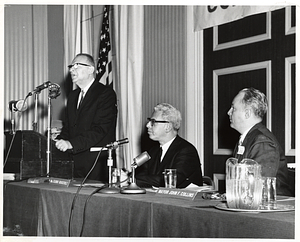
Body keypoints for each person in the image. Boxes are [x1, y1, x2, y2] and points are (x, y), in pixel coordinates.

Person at [55, 53, 117, 181]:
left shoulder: (105, 94)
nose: (72, 69)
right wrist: (57, 141)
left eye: (77, 66)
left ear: (90, 70)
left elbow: (99, 130)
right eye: (71, 66)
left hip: (95, 164)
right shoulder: (72, 96)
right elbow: (68, 128)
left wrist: (71, 143)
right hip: (73, 163)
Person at [227, 87, 292, 196]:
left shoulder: (262, 141)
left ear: (247, 113)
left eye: (233, 108)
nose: (229, 112)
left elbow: (259, 190)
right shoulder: (249, 137)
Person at [135, 103, 203, 188]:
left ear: (168, 127)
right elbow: (142, 175)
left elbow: (171, 180)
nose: (147, 125)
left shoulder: (186, 150)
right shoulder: (153, 151)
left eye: (153, 122)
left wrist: (132, 180)